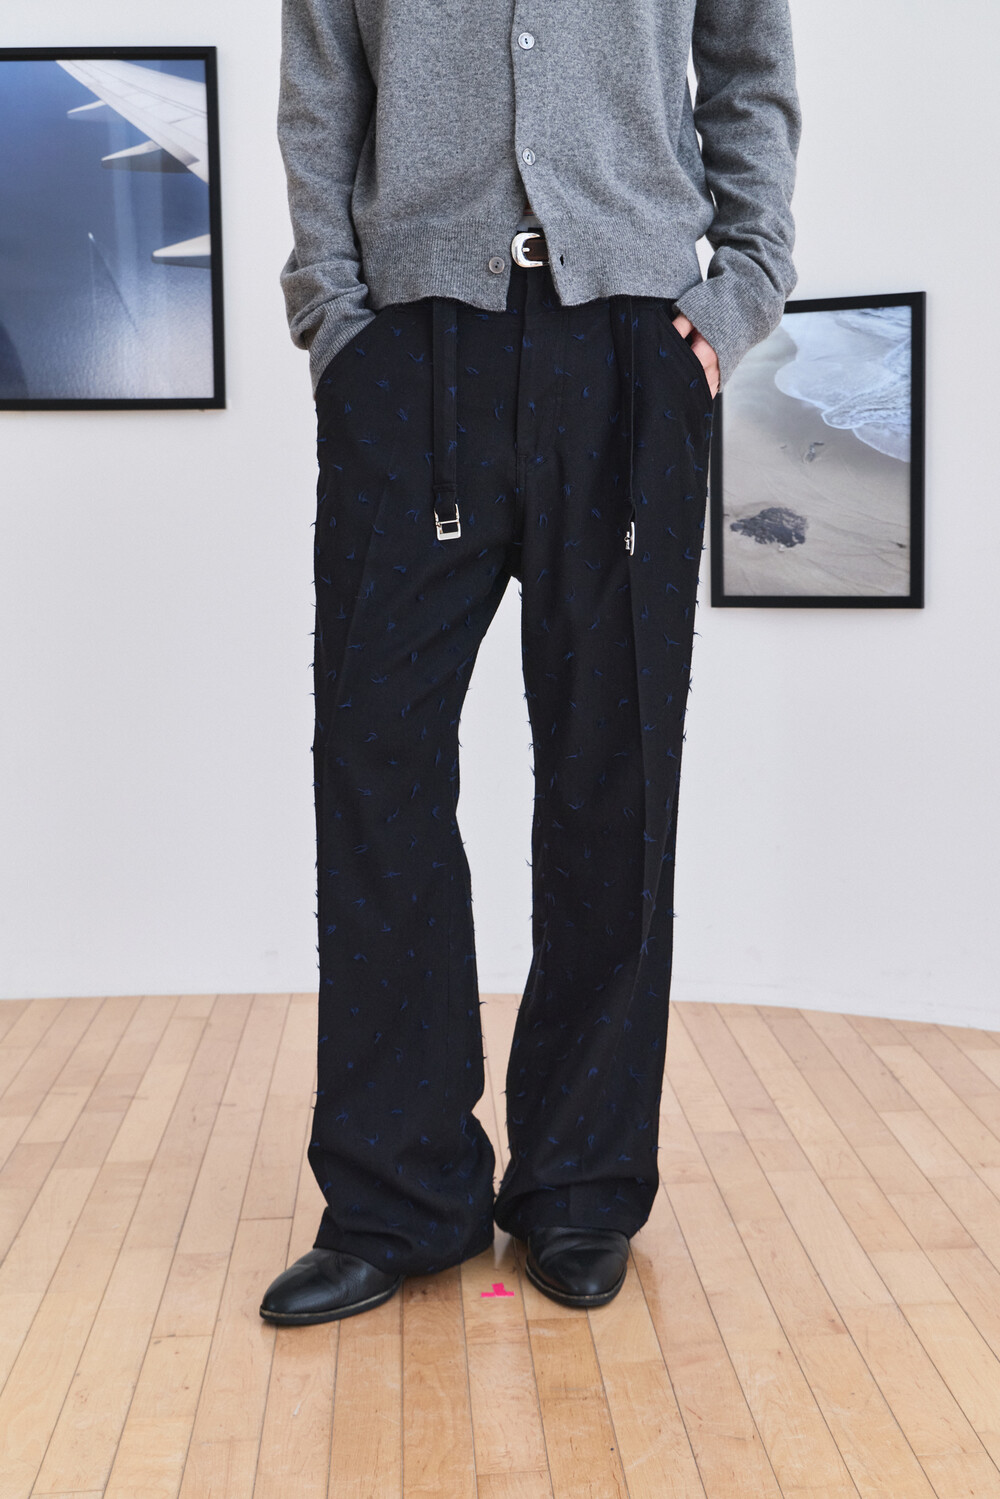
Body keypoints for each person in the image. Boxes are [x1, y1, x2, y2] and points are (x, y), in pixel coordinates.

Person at [260, 0, 801, 1325]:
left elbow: (749, 69)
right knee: (376, 772)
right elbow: (321, 85)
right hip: (408, 349)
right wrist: (334, 314)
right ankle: (400, 1197)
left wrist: (740, 290)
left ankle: (580, 1182)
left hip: (631, 346)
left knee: (614, 777)